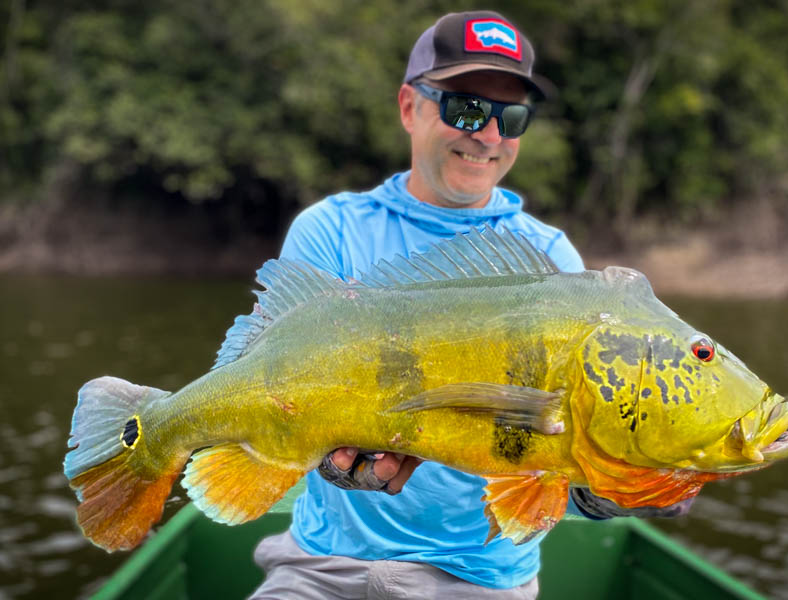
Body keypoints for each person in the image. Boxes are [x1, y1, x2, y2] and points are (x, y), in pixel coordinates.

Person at [249, 10, 689, 600]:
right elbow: (274, 383)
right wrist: (325, 455)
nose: (487, 135)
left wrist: (605, 481)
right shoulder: (330, 231)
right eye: (465, 108)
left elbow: (560, 432)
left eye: (511, 117)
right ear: (410, 107)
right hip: (324, 565)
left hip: (481, 580)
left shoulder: (550, 257)